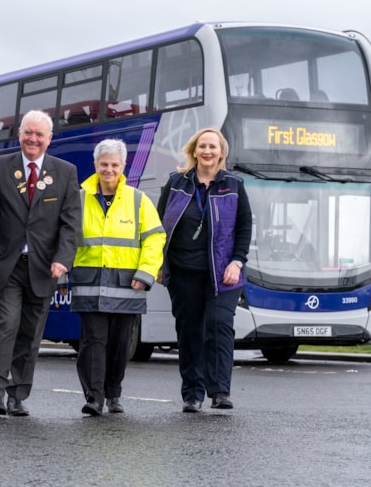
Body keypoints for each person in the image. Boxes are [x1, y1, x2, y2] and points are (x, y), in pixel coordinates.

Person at [0, 110, 81, 417]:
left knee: (31, 331)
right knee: (7, 323)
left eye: (39, 134)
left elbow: (71, 223)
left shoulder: (65, 172)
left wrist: (64, 259)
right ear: (19, 134)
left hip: (44, 266)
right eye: (28, 132)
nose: (33, 139)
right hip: (6, 264)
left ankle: (18, 394)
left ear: (49, 139)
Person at [157, 127, 252, 412]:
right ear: (194, 151)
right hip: (184, 272)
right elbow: (159, 225)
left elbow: (245, 227)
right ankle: (192, 395)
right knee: (189, 333)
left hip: (223, 273)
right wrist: (160, 264)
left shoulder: (234, 185)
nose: (207, 151)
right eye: (202, 146)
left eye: (213, 146)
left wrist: (237, 261)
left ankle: (220, 391)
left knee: (219, 326)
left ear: (221, 152)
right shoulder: (176, 183)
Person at [72, 139, 165, 416]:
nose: (109, 169)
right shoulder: (79, 198)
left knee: (119, 345)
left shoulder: (139, 200)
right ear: (95, 165)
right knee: (93, 343)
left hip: (128, 286)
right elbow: (67, 237)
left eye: (114, 164)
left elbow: (155, 238)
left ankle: (114, 394)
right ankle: (94, 397)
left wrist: (146, 273)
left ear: (123, 166)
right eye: (104, 164)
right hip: (89, 284)